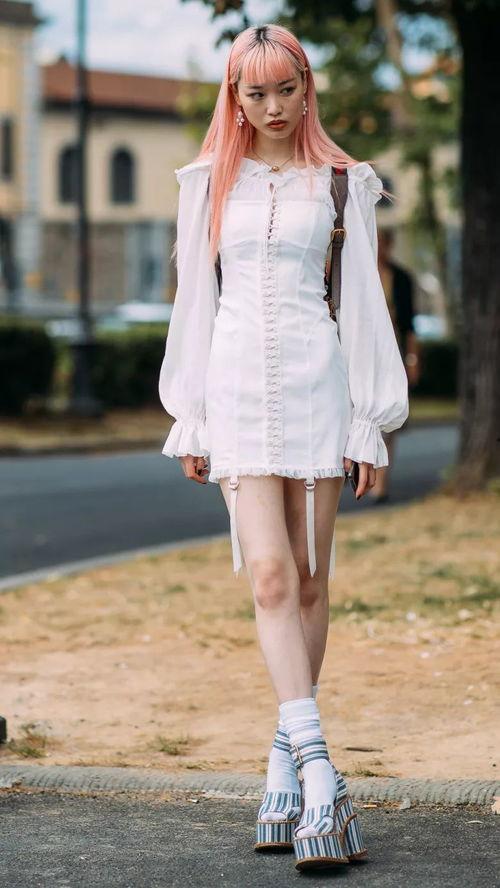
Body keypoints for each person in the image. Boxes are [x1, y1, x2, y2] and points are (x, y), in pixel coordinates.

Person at [158, 23, 408, 871]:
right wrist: (190, 412)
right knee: (267, 577)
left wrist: (370, 418)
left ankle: (280, 772)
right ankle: (321, 778)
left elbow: (363, 307)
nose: (271, 107)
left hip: (317, 388)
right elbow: (194, 304)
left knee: (306, 579)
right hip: (233, 392)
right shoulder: (206, 185)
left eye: (285, 89)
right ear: (234, 97)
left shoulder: (343, 183)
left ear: (308, 90)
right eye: (254, 92)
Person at [368, 227, 420, 504]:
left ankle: (381, 480)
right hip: (364, 350)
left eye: (384, 242)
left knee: (388, 413)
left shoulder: (401, 278)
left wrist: (412, 359)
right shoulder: (359, 274)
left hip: (392, 350)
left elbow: (410, 324)